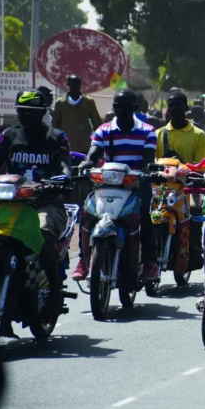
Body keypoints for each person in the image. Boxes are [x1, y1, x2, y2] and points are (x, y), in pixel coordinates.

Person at [0, 89, 72, 318]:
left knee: (42, 234)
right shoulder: (8, 136)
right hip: (10, 203)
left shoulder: (56, 137)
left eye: (32, 113)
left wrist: (64, 177)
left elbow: (64, 165)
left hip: (45, 204)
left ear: (42, 113)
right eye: (22, 112)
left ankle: (55, 292)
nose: (26, 117)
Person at [71, 89, 160, 282]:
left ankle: (150, 262)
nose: (121, 110)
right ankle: (82, 259)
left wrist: (145, 173)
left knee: (144, 213)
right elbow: (94, 154)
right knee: (88, 211)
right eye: (117, 107)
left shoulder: (147, 131)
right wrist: (86, 164)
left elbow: (148, 160)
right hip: (108, 184)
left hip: (136, 185)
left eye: (126, 107)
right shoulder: (103, 130)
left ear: (134, 108)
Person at [155, 90, 205, 271]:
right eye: (170, 105)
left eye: (177, 105)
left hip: (189, 188)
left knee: (195, 211)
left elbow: (204, 165)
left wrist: (190, 169)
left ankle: (194, 253)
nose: (173, 108)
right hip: (163, 187)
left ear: (185, 108)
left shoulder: (198, 134)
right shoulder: (158, 133)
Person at [52, 75, 103, 153]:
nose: (76, 85)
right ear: (68, 84)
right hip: (66, 148)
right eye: (73, 83)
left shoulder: (89, 102)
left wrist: (100, 144)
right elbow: (55, 126)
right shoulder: (60, 103)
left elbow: (97, 124)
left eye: (78, 83)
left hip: (85, 147)